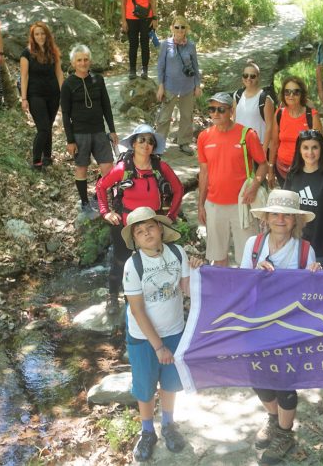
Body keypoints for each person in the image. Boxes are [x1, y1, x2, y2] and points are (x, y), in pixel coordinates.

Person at [241, 189, 323, 465]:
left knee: (284, 382)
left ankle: (285, 434)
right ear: (266, 217)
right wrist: (255, 273)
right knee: (258, 380)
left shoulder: (304, 250)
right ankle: (274, 418)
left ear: (295, 221)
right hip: (257, 325)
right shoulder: (253, 245)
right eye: (275, 213)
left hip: (290, 329)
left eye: (287, 215)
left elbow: (313, 298)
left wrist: (315, 278)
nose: (280, 219)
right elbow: (238, 285)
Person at [121, 206, 201, 462]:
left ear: (160, 228)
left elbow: (187, 290)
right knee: (144, 387)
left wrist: (197, 272)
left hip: (174, 330)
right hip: (144, 338)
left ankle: (168, 424)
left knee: (170, 383)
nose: (146, 234)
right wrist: (158, 347)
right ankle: (147, 431)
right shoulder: (133, 265)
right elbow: (137, 310)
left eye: (150, 227)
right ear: (134, 239)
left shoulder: (177, 253)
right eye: (140, 231)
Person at [96, 124, 184, 315]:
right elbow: (101, 186)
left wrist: (171, 216)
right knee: (121, 262)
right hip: (125, 223)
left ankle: (142, 300)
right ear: (134, 144)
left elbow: (178, 189)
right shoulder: (122, 168)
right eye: (142, 140)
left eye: (150, 141)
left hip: (151, 225)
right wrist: (106, 212)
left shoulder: (160, 167)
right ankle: (113, 297)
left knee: (149, 262)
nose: (146, 144)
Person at [197, 92, 269, 267]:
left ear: (231, 111)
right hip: (214, 205)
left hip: (242, 204)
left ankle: (247, 293)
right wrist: (201, 204)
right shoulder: (204, 136)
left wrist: (254, 186)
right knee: (218, 256)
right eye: (212, 109)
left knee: (247, 258)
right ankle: (224, 292)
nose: (215, 114)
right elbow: (204, 173)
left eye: (220, 109)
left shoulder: (247, 135)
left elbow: (263, 164)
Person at [59, 44, 119, 220]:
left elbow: (106, 105)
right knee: (82, 168)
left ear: (90, 60)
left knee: (108, 168)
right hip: (80, 133)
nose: (83, 63)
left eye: (85, 59)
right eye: (79, 60)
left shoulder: (98, 80)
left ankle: (96, 196)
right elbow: (65, 114)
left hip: (99, 130)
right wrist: (70, 140)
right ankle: (85, 202)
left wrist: (112, 130)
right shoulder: (68, 84)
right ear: (73, 63)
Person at [283, 130, 323, 269]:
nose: (310, 152)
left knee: (321, 288)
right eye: (305, 147)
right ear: (299, 149)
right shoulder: (292, 175)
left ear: (321, 149)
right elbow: (285, 209)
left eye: (314, 147)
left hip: (322, 246)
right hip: (295, 244)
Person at [20, 21, 64, 170]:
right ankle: (36, 161)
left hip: (53, 95)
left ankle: (47, 157)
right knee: (43, 128)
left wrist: (63, 93)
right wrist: (24, 98)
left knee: (48, 126)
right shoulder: (26, 53)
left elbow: (59, 73)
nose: (40, 36)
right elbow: (24, 77)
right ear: (33, 36)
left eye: (43, 33)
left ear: (47, 35)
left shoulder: (53, 51)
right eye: (37, 34)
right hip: (35, 95)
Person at [156, 15, 202, 155]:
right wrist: (160, 86)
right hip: (169, 87)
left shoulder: (191, 45)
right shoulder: (165, 44)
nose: (180, 30)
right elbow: (160, 67)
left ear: (186, 29)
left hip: (187, 87)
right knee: (164, 117)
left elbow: (195, 66)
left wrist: (197, 85)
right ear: (172, 28)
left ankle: (184, 142)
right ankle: (159, 144)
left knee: (187, 116)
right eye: (177, 27)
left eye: (183, 27)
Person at [271, 76, 322, 184]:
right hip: (282, 170)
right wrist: (270, 168)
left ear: (302, 94)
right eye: (287, 92)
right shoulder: (279, 113)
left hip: (305, 170)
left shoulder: (311, 116)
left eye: (296, 92)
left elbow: (319, 147)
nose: (291, 95)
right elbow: (274, 144)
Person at [232, 60, 276, 181]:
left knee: (257, 185)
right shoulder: (237, 95)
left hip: (258, 147)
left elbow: (269, 127)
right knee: (240, 182)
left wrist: (263, 151)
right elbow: (234, 120)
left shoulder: (265, 99)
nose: (248, 79)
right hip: (239, 147)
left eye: (252, 76)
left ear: (258, 78)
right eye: (245, 75)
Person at [120, 0, 158, 79]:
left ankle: (145, 70)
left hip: (146, 18)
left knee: (145, 44)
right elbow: (123, 3)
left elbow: (153, 1)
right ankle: (132, 70)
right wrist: (123, 21)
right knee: (133, 44)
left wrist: (155, 18)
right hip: (131, 19)